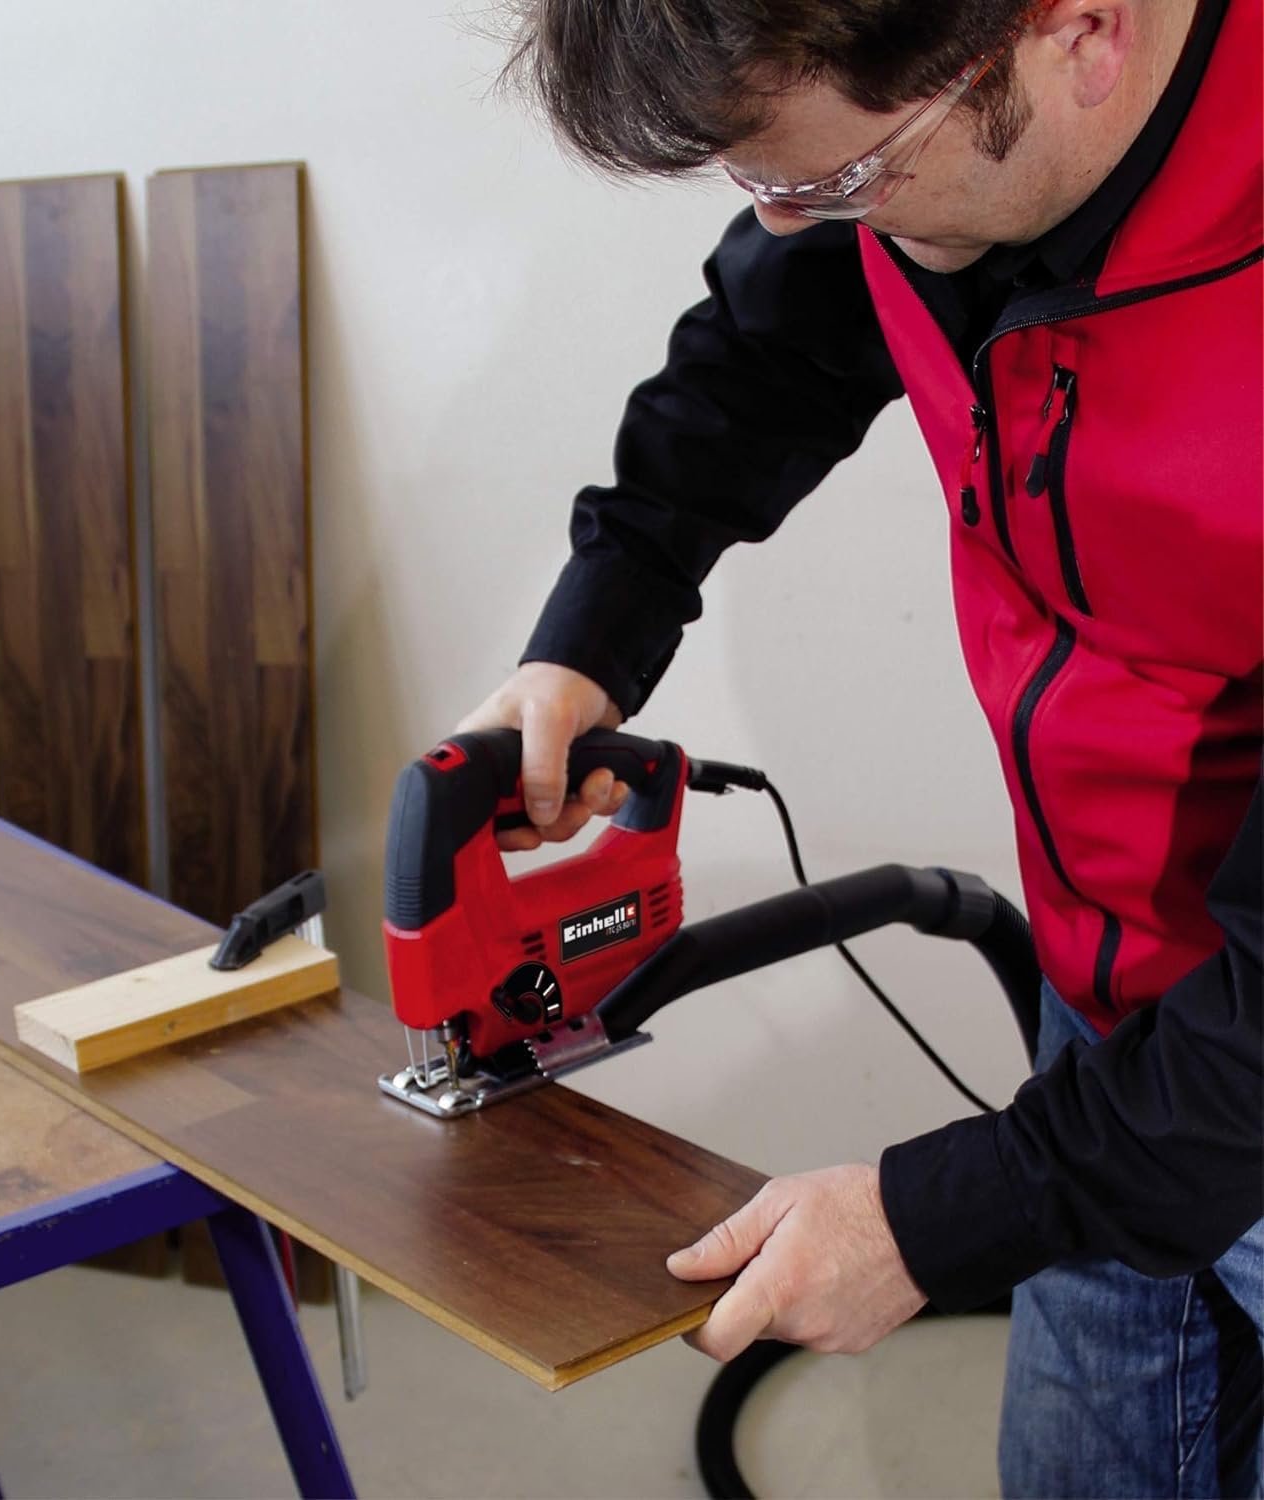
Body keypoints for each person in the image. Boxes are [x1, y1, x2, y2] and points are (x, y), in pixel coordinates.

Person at [456, 0, 1263, 1493]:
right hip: (1108, 1029)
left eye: (834, 183)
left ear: (1080, 34)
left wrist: (936, 1219)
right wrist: (593, 633)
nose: (793, 225)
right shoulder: (925, 141)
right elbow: (772, 348)